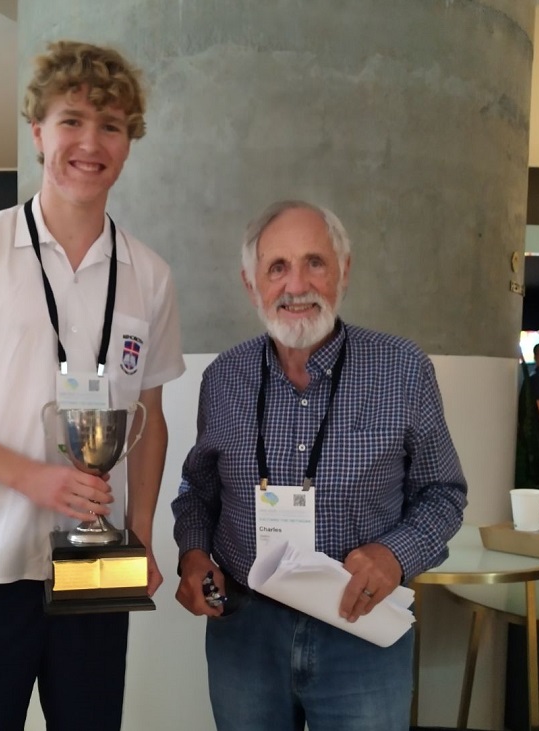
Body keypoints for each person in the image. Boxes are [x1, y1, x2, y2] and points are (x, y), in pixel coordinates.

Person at [0, 40, 184, 731]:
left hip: (98, 557)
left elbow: (150, 417)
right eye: (71, 120)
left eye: (111, 125)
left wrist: (139, 534)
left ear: (129, 142)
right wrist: (32, 478)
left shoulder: (151, 274)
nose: (90, 143)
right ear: (38, 131)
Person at [172, 200, 467, 731]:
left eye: (315, 262)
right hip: (245, 632)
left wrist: (394, 555)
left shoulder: (403, 369)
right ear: (251, 284)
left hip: (361, 626)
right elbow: (198, 491)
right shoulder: (223, 379)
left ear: (343, 271)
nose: (296, 285)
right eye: (277, 267)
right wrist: (192, 555)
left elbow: (443, 492)